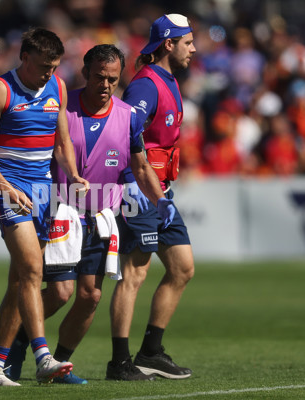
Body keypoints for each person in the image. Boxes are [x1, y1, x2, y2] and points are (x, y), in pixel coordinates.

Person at [3, 44, 177, 384]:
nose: (106, 84)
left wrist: (162, 200)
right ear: (86, 73)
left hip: (101, 215)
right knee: (60, 292)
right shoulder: (62, 111)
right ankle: (18, 342)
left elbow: (141, 168)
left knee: (90, 296)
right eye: (99, 77)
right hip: (61, 211)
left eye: (113, 78)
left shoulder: (128, 117)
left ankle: (61, 363)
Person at [0, 27, 90, 386]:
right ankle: (43, 356)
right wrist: (5, 187)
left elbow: (62, 140)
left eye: (54, 66)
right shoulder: (0, 89)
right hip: (8, 187)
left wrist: (71, 173)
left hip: (44, 190)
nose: (49, 73)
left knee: (19, 283)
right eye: (43, 66)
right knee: (31, 269)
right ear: (25, 58)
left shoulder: (57, 87)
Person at [108, 13, 196, 380]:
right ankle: (119, 362)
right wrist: (133, 186)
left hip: (161, 191)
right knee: (135, 273)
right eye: (188, 42)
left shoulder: (168, 80)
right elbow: (125, 135)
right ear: (169, 44)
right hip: (140, 191)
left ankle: (151, 352)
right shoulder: (146, 85)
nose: (194, 49)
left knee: (182, 268)